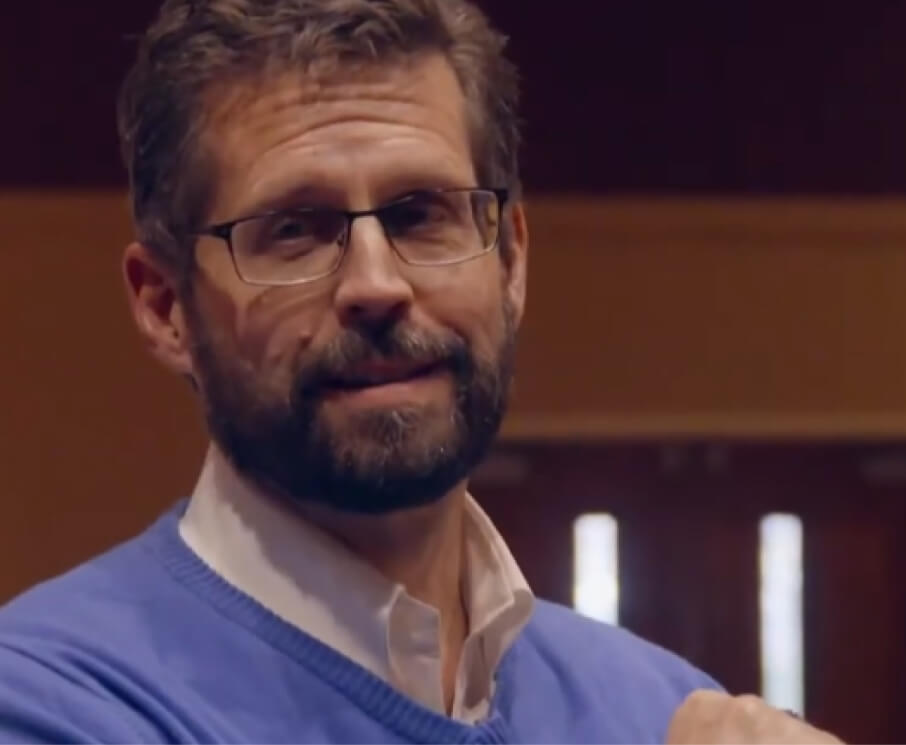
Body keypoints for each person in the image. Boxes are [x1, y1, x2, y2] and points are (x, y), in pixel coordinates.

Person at [0, 1, 841, 742]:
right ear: (165, 306)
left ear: (510, 260)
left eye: (422, 214)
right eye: (294, 228)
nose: (376, 284)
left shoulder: (663, 708)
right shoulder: (51, 701)